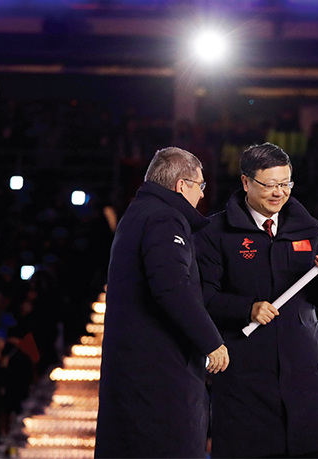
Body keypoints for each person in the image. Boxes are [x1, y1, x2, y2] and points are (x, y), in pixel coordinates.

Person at [195, 142, 318, 458]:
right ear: (246, 182)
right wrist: (247, 308)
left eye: (285, 183)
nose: (279, 192)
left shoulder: (310, 228)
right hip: (245, 380)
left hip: (304, 375)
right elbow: (202, 297)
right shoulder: (214, 233)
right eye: (270, 185)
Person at [95, 147, 229, 459]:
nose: (201, 195)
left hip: (135, 380)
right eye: (201, 186)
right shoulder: (165, 217)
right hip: (158, 385)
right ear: (183, 186)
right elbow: (171, 287)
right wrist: (211, 342)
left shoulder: (138, 213)